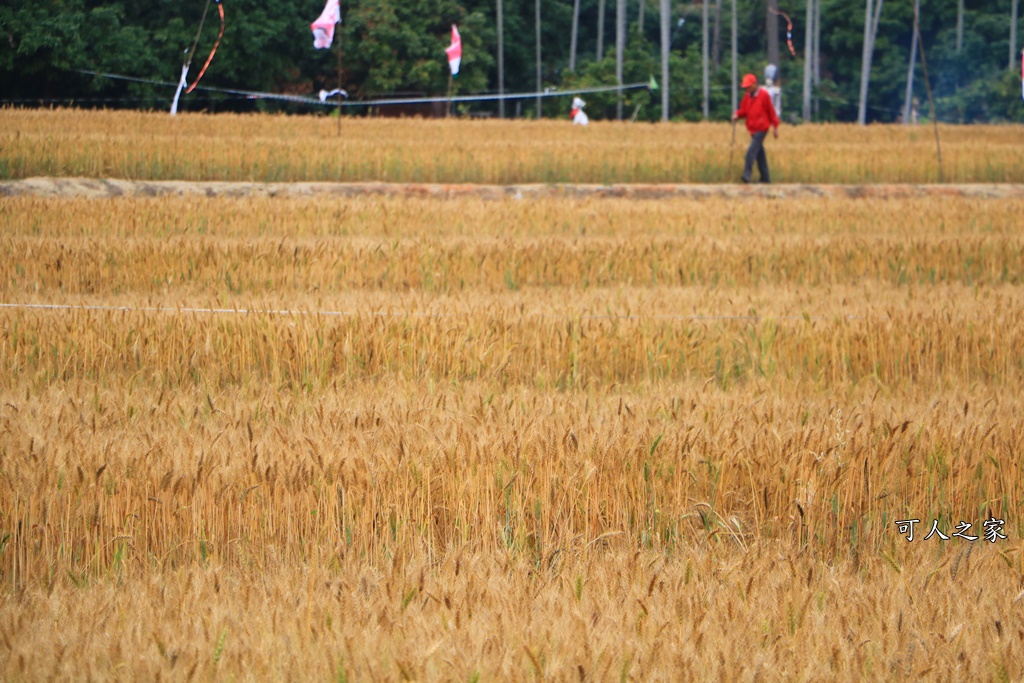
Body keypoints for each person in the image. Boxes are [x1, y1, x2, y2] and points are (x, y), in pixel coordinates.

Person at [731, 73, 780, 184]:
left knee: (751, 151)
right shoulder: (747, 97)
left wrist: (775, 127)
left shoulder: (764, 95)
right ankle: (765, 178)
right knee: (759, 154)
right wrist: (737, 115)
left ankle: (746, 175)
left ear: (754, 84)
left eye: (748, 86)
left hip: (762, 128)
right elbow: (744, 111)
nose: (747, 88)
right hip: (752, 128)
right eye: (746, 87)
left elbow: (771, 112)